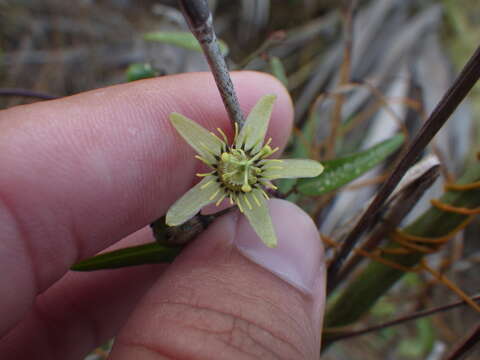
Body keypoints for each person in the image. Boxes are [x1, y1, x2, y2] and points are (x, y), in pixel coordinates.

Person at [0, 71, 326, 359]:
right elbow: (179, 214)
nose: (238, 165)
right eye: (236, 162)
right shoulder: (230, 174)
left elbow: (270, 130)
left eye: (243, 165)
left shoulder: (240, 170)